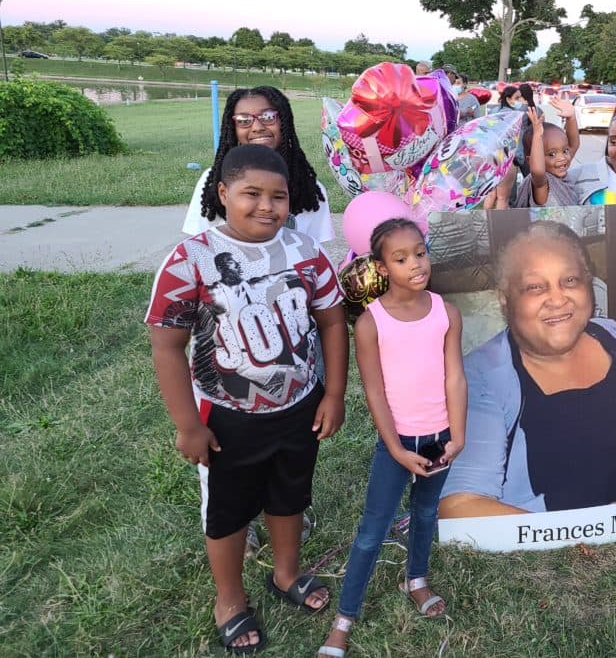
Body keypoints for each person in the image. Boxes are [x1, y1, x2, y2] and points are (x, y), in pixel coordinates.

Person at [147, 144, 349, 654]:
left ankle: (286, 574)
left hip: (300, 405)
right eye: (251, 194)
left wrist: (335, 394)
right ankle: (229, 600)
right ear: (222, 193)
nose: (266, 206)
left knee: (290, 496)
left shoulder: (306, 252)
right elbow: (168, 347)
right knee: (230, 512)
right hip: (230, 416)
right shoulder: (190, 258)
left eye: (277, 196)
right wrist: (189, 425)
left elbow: (330, 322)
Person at [439, 221, 616, 517]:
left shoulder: (613, 334)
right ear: (505, 298)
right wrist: (593, 533)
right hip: (586, 550)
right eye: (535, 287)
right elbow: (459, 506)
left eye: (570, 281)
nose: (557, 299)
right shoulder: (484, 375)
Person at [318, 218, 466, 657]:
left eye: (420, 253)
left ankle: (416, 579)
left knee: (425, 515)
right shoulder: (370, 323)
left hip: (441, 437)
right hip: (397, 442)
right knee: (372, 531)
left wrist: (457, 435)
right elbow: (375, 392)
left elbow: (455, 376)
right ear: (382, 268)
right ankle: (344, 618)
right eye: (401, 259)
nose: (416, 264)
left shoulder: (446, 312)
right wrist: (398, 450)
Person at [182, 86, 334, 244]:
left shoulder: (310, 188)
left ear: (284, 121)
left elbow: (314, 253)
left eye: (268, 117)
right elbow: (198, 245)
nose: (257, 127)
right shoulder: (213, 180)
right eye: (243, 120)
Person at [513, 101, 580, 207]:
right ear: (531, 160)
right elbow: (538, 171)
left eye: (564, 151)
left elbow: (573, 145)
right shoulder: (541, 184)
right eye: (552, 154)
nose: (562, 158)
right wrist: (537, 136)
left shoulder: (559, 170)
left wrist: (571, 118)